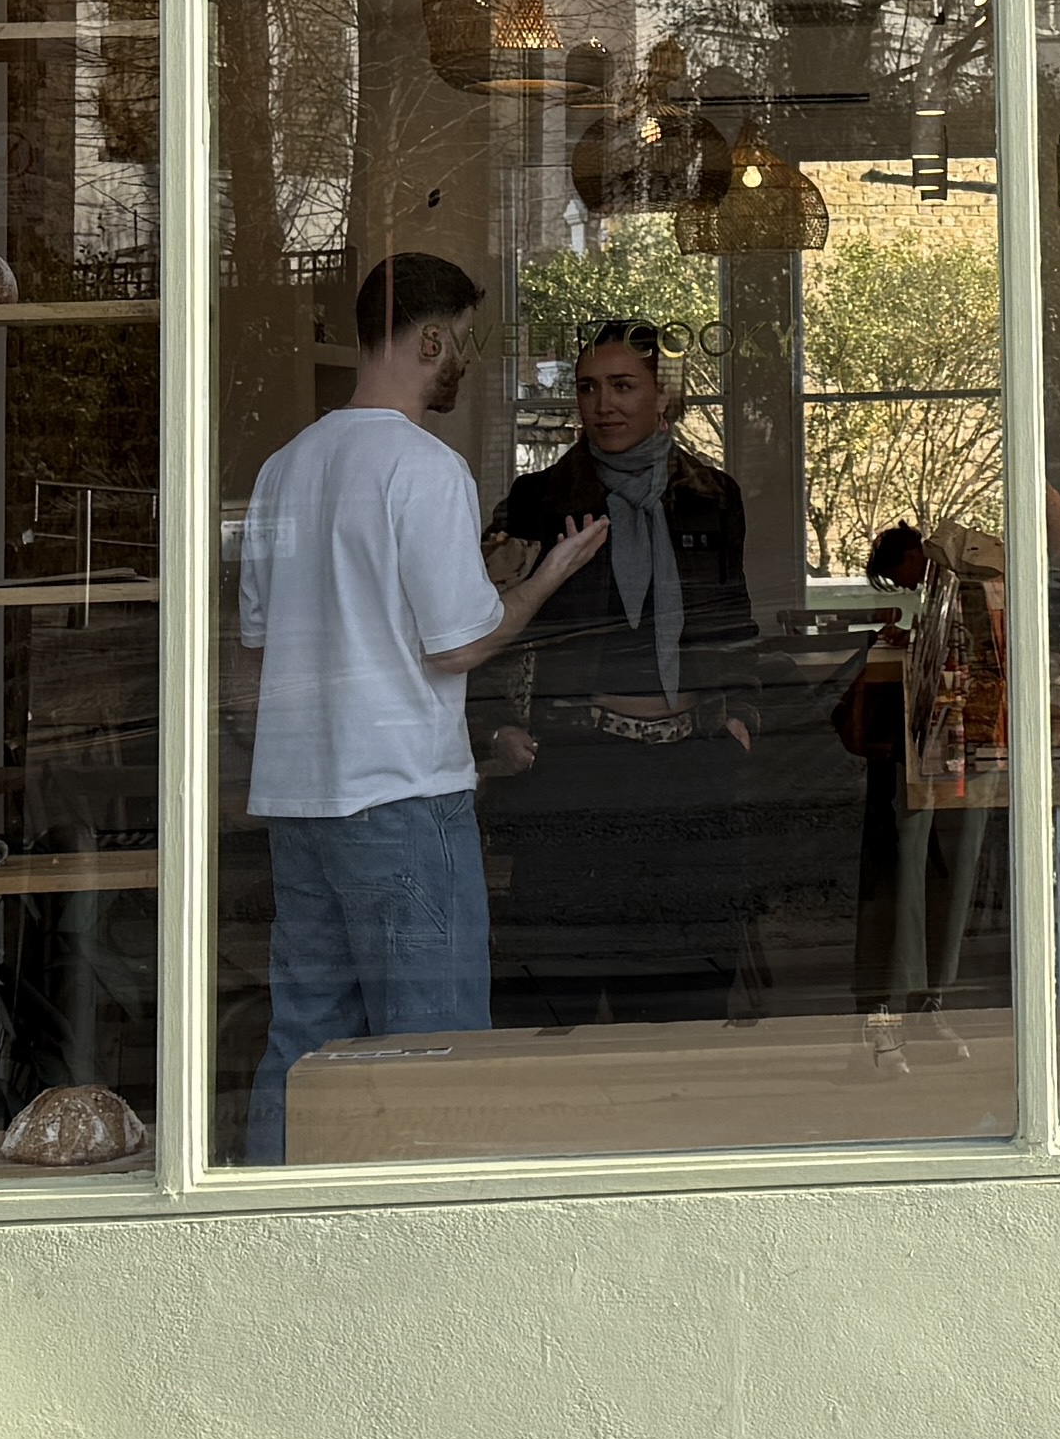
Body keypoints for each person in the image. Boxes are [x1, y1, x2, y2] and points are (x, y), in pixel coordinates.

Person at [236, 252, 602, 1157]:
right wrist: (546, 578)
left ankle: (267, 1238)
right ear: (431, 338)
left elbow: (260, 634)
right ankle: (432, 1267)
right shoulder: (424, 469)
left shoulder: (286, 467)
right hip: (401, 797)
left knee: (305, 1047)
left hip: (299, 800)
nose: (463, 362)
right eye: (463, 344)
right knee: (433, 1047)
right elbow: (458, 644)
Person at [485, 319, 788, 1022]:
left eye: (624, 386)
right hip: (574, 766)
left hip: (688, 766)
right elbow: (487, 627)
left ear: (664, 396)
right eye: (589, 389)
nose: (604, 405)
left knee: (684, 986)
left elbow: (731, 615)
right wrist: (497, 727)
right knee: (560, 992)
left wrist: (742, 709)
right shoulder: (540, 499)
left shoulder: (712, 495)